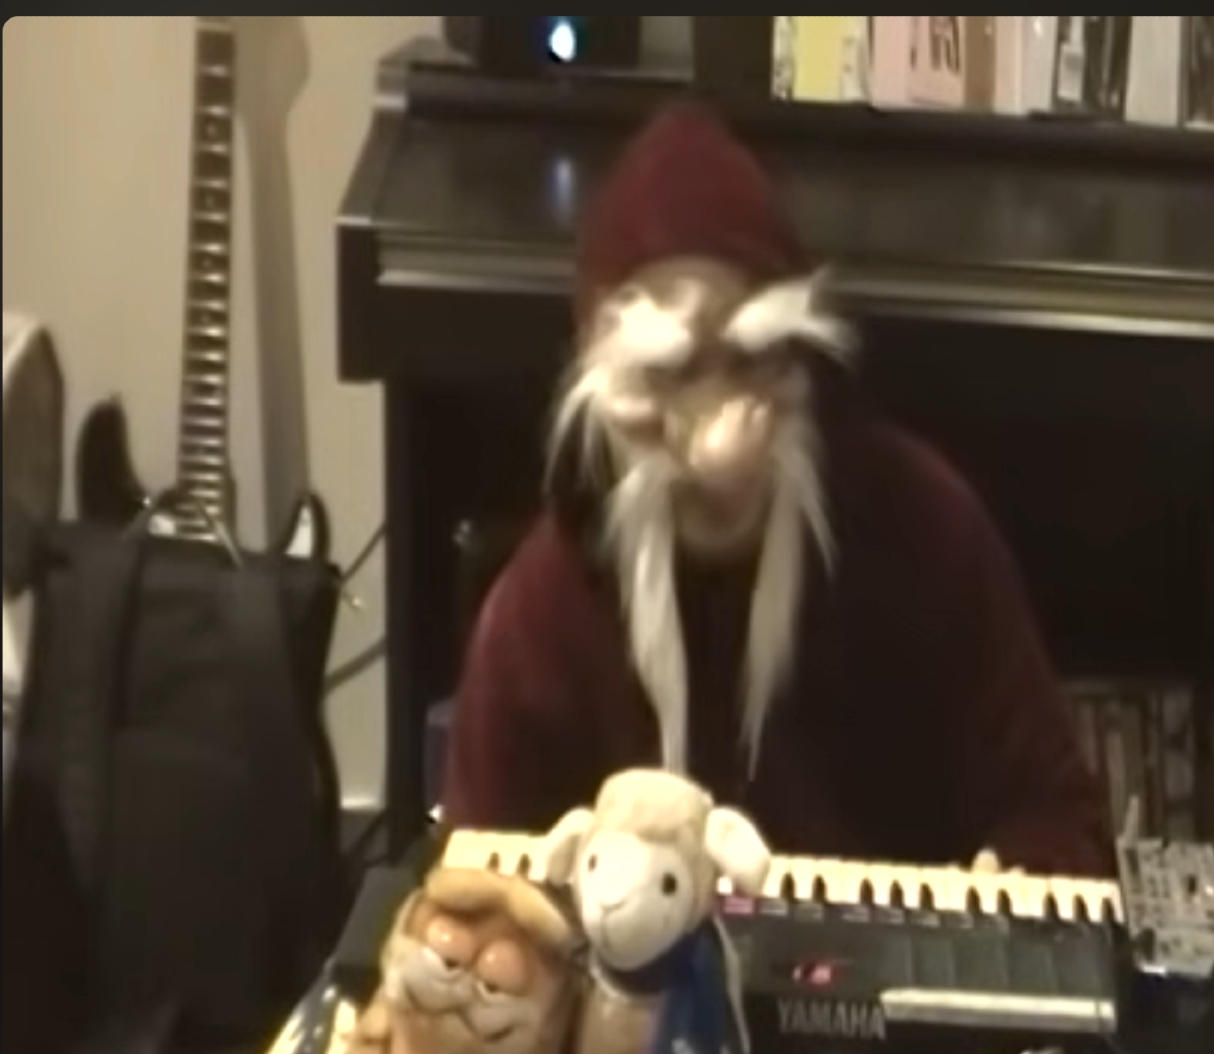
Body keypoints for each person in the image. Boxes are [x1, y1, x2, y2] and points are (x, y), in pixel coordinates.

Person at [442, 103, 1112, 877]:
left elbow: (1061, 816)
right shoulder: (542, 612)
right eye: (672, 372)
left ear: (801, 358)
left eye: (751, 359)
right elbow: (472, 882)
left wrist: (1010, 880)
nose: (720, 435)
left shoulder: (923, 529)